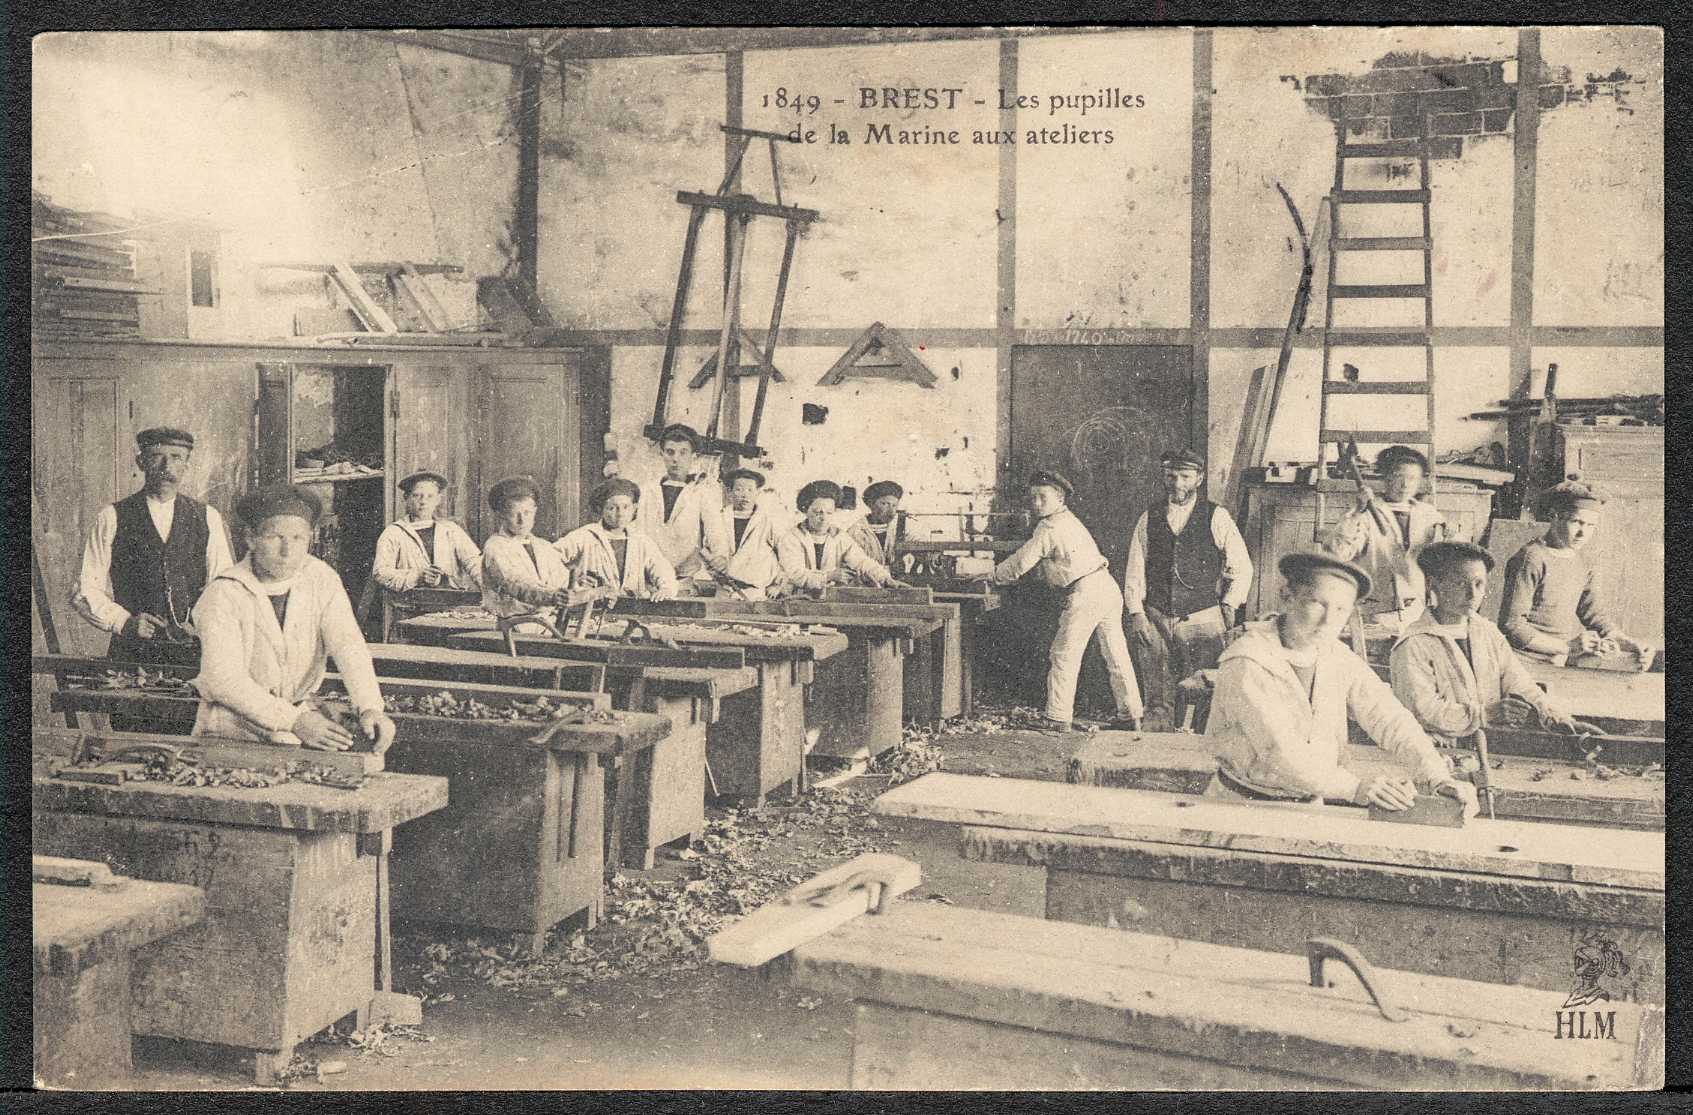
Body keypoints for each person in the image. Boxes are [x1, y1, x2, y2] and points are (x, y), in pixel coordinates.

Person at [1205, 550, 1478, 815]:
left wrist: (1437, 776)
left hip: (1308, 807)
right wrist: (1356, 787)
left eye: (1340, 609)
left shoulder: (1334, 656)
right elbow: (1280, 752)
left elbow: (1390, 718)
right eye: (1317, 603)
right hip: (1241, 808)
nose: (1328, 620)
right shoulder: (1248, 660)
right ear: (1287, 597)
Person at [190, 484, 395, 752]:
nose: (287, 551)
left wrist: (370, 706)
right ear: (251, 538)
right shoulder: (224, 592)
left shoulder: (320, 578)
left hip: (299, 724)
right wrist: (294, 720)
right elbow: (223, 680)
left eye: (298, 538)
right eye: (276, 537)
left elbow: (348, 646)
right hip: (231, 729)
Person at [72, 427, 234, 733]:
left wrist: (200, 625)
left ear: (187, 464)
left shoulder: (207, 517)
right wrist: (124, 622)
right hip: (132, 657)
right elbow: (85, 590)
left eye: (176, 458)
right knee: (132, 741)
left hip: (191, 658)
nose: (166, 466)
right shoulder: (112, 516)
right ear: (141, 462)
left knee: (189, 743)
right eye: (157, 457)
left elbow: (225, 587)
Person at [1390, 540, 1591, 747]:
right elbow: (1422, 710)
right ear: (1433, 584)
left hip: (1489, 744)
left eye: (1479, 584)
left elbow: (1519, 682)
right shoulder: (1415, 643)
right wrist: (1485, 714)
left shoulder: (1487, 632)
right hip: (1439, 750)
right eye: (1460, 584)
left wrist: (1557, 717)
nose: (1472, 594)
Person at [987, 470, 1143, 733]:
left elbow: (1021, 563)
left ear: (1059, 498)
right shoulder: (1069, 520)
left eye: (1042, 497)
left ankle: (1058, 717)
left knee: (1063, 653)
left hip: (1086, 592)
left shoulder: (1049, 527)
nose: (1036, 503)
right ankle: (1131, 714)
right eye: (1033, 497)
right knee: (1115, 652)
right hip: (1106, 587)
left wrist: (991, 576)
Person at [1122, 448, 1253, 731]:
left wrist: (1229, 604)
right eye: (1171, 476)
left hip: (1202, 618)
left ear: (1199, 479)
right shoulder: (1149, 517)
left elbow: (1243, 567)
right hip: (1156, 617)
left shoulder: (1216, 516)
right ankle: (1157, 744)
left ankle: (1201, 745)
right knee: (1157, 694)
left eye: (1185, 476)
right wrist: (1136, 613)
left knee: (1205, 691)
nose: (1177, 483)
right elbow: (1135, 568)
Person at [1500, 474, 1654, 669]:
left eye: (1591, 525)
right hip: (1521, 662)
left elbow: (1595, 616)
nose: (1583, 533)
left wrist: (1628, 643)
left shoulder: (1582, 562)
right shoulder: (1531, 558)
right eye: (1576, 522)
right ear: (1554, 516)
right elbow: (1512, 626)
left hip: (1557, 660)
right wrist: (1567, 647)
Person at [1322, 444, 1446, 633]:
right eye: (1398, 476)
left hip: (1418, 614)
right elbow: (1336, 554)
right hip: (1373, 615)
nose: (1405, 485)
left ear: (1420, 481)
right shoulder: (1366, 513)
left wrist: (1447, 537)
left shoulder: (1430, 515)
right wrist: (1356, 512)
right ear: (1385, 477)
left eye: (1412, 478)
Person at [635, 423, 728, 586]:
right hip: (649, 576)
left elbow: (715, 531)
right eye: (670, 452)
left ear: (694, 456)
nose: (675, 459)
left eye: (683, 453)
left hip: (685, 577)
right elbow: (634, 530)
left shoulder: (702, 492)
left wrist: (720, 556)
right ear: (662, 454)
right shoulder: (646, 491)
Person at [555, 478, 678, 601]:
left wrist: (666, 588)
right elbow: (550, 559)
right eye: (612, 508)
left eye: (626, 507)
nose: (620, 514)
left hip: (630, 608)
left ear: (634, 509)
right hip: (592, 607)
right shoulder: (584, 536)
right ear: (601, 509)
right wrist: (573, 580)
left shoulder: (641, 541)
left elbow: (662, 569)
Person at [479, 475, 575, 629]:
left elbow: (563, 580)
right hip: (514, 626)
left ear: (535, 511)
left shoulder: (544, 546)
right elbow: (515, 583)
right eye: (514, 514)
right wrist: (551, 596)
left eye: (527, 513)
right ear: (501, 515)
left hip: (546, 623)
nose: (522, 520)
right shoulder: (496, 547)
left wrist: (581, 585)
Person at [779, 480, 903, 592]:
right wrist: (828, 576)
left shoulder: (839, 536)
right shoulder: (792, 538)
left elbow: (861, 561)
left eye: (829, 513)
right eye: (817, 513)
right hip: (797, 597)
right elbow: (795, 574)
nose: (823, 518)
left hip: (829, 597)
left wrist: (885, 578)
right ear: (806, 510)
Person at [371, 471, 481, 594]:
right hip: (408, 603)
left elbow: (474, 562)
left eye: (430, 496)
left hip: (450, 601)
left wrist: (489, 590)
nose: (423, 501)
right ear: (406, 498)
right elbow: (380, 573)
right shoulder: (393, 533)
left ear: (438, 499)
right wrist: (418, 576)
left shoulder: (451, 530)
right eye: (417, 495)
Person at [701, 468, 788, 599]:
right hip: (724, 591)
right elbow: (706, 551)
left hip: (756, 593)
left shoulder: (768, 521)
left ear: (758, 492)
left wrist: (777, 585)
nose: (744, 495)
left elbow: (786, 554)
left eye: (750, 490)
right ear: (730, 492)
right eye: (739, 489)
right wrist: (716, 573)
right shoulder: (718, 519)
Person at [846, 479, 906, 569]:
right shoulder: (855, 532)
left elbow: (919, 541)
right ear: (871, 504)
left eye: (894, 505)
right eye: (885, 504)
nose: (891, 511)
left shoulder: (897, 530)